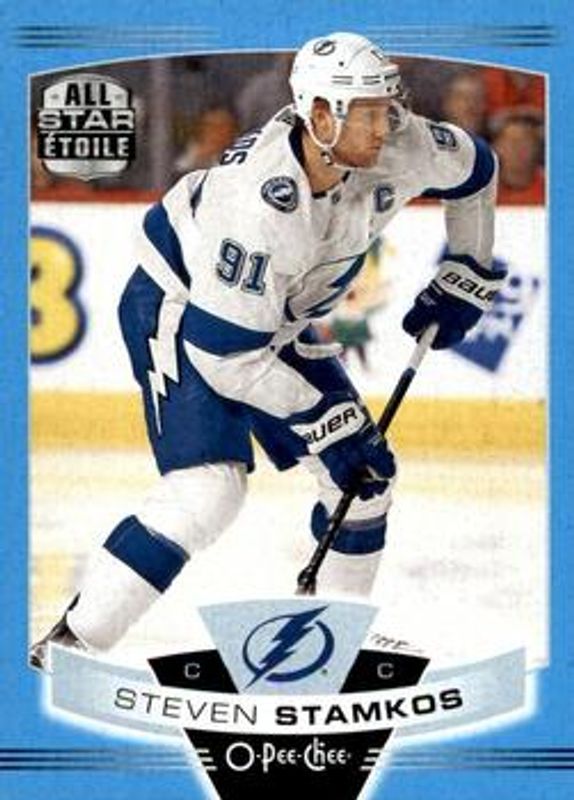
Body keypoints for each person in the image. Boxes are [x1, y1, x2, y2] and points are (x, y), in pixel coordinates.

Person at [30, 32, 505, 670]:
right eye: (366, 112)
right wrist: (328, 421)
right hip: (186, 309)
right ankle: (70, 644)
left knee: (363, 482)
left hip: (268, 322)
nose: (385, 124)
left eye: (387, 105)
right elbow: (224, 354)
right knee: (209, 490)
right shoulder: (258, 204)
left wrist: (467, 268)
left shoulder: (400, 140)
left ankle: (331, 639)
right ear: (319, 116)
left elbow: (478, 170)